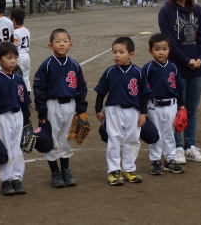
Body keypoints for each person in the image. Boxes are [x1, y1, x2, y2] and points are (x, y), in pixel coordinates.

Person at [158, 0, 201, 163]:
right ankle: (177, 147)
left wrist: (200, 58)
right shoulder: (166, 11)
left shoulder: (198, 10)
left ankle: (190, 146)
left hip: (197, 68)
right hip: (176, 69)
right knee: (178, 109)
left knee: (192, 110)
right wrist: (186, 59)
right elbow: (169, 40)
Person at [34, 29, 87, 188]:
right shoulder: (47, 65)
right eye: (57, 41)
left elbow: (81, 88)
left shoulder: (75, 65)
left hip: (70, 105)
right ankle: (55, 172)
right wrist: (42, 111)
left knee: (66, 137)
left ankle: (65, 170)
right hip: (52, 105)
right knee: (52, 138)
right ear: (50, 45)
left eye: (65, 41)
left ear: (70, 45)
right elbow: (39, 88)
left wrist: (81, 108)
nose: (61, 44)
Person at [95, 37, 150, 185]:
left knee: (132, 140)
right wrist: (98, 109)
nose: (117, 55)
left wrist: (144, 113)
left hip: (133, 110)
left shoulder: (138, 72)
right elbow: (101, 92)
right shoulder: (110, 72)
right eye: (114, 52)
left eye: (121, 52)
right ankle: (113, 171)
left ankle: (129, 169)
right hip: (113, 109)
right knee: (114, 139)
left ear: (131, 54)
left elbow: (144, 95)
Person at [0, 41, 31, 196]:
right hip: (2, 117)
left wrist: (27, 122)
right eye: (9, 58)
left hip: (18, 116)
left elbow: (24, 102)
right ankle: (6, 181)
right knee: (6, 150)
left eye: (15, 58)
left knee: (18, 149)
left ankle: (17, 178)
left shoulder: (18, 79)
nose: (13, 61)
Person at [142, 33, 185, 175]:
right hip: (153, 105)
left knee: (169, 133)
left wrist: (182, 106)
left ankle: (170, 160)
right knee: (156, 134)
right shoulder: (148, 68)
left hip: (171, 105)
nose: (161, 52)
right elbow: (142, 90)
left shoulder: (173, 67)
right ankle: (155, 161)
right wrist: (142, 109)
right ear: (150, 51)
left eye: (164, 49)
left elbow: (179, 87)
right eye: (157, 49)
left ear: (169, 50)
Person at [11, 8, 31, 93]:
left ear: (13, 20)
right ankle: (28, 97)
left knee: (17, 78)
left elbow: (13, 47)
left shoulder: (15, 33)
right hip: (26, 56)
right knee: (26, 78)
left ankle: (20, 96)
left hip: (19, 57)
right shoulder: (27, 30)